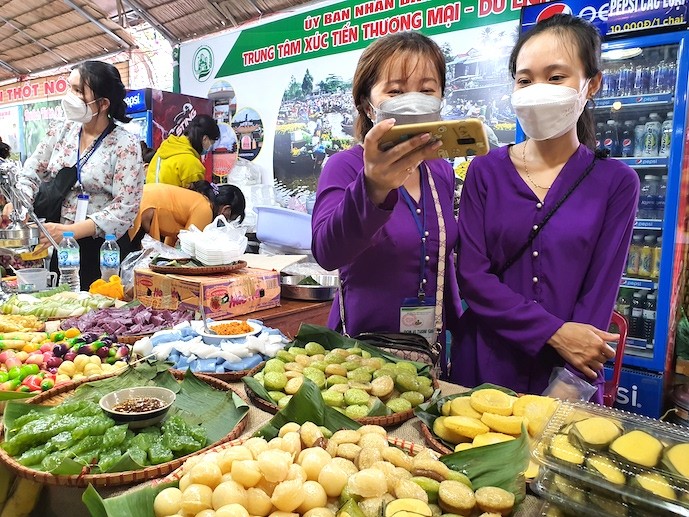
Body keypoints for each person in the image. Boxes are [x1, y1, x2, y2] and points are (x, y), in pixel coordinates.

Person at [453, 14, 639, 403]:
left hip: (567, 366)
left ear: (592, 84)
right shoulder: (484, 171)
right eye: (525, 80)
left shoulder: (616, 183)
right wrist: (554, 332)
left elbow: (599, 290)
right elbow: (472, 275)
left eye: (556, 77)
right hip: (483, 360)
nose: (538, 90)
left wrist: (572, 379)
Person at [311, 32, 463, 374]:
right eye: (395, 91)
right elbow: (326, 252)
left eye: (426, 90)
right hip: (360, 356)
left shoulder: (439, 170)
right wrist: (373, 187)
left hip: (429, 355)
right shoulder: (346, 166)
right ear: (368, 104)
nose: (413, 101)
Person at [8, 60, 144, 288]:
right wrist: (19, 201)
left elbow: (126, 208)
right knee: (62, 305)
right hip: (62, 244)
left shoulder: (124, 144)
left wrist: (70, 232)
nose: (69, 95)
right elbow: (32, 171)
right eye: (69, 87)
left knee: (100, 313)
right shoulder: (62, 130)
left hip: (103, 248)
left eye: (78, 90)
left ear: (102, 104)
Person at [129, 181, 245, 247]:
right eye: (229, 219)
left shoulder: (200, 200)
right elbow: (187, 245)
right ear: (226, 210)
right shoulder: (206, 209)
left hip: (140, 199)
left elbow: (175, 239)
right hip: (144, 208)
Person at [146, 114, 219, 187]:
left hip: (151, 197)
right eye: (212, 143)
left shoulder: (162, 150)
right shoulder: (191, 164)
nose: (211, 147)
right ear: (205, 139)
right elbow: (196, 197)